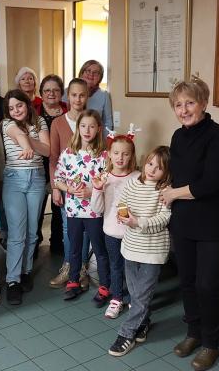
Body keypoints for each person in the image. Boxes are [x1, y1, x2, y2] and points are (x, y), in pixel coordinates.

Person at [160, 76, 219, 371]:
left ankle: (211, 343)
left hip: (211, 221)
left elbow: (210, 183)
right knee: (187, 282)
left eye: (190, 103)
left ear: (203, 103)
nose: (184, 109)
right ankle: (193, 332)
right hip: (184, 221)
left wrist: (173, 193)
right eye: (178, 105)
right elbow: (176, 176)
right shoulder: (178, 137)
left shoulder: (218, 135)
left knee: (207, 284)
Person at [108, 146, 171, 357]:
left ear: (167, 172)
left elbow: (163, 219)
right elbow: (122, 202)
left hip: (152, 252)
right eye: (150, 163)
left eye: (159, 168)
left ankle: (126, 334)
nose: (152, 170)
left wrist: (137, 222)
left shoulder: (165, 190)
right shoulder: (133, 183)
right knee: (136, 294)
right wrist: (122, 214)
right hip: (130, 248)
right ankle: (143, 323)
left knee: (142, 296)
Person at [54, 109, 110, 305]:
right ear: (78, 128)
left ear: (98, 129)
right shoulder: (68, 154)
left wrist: (92, 192)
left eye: (92, 126)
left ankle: (105, 285)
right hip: (73, 210)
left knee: (100, 249)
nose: (87, 130)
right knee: (75, 248)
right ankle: (73, 281)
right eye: (83, 126)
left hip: (94, 211)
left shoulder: (104, 156)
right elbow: (58, 179)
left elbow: (108, 182)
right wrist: (69, 188)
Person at [2, 89, 50, 305]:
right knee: (16, 233)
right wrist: (28, 143)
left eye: (19, 105)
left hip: (37, 179)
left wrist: (30, 143)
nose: (15, 111)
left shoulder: (39, 121)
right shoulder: (6, 124)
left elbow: (48, 151)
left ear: (27, 104)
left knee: (32, 231)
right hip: (14, 179)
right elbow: (19, 134)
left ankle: (26, 271)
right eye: (11, 108)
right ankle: (12, 280)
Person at [91, 132, 140, 319]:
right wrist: (97, 189)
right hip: (111, 232)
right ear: (109, 154)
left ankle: (136, 299)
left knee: (133, 267)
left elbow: (142, 205)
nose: (120, 157)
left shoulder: (137, 178)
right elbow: (97, 208)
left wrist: (132, 216)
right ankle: (117, 297)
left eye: (125, 154)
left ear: (131, 156)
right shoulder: (104, 177)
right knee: (116, 266)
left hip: (132, 232)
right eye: (116, 153)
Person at [49, 78, 90, 289]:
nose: (78, 99)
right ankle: (68, 266)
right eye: (74, 95)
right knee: (68, 228)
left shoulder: (92, 121)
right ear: (68, 96)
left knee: (84, 229)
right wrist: (55, 187)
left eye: (82, 95)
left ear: (87, 96)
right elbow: (53, 157)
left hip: (88, 189)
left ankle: (81, 268)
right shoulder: (58, 123)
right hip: (66, 187)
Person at [34, 74, 68, 255]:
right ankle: (35, 242)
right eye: (47, 90)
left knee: (58, 206)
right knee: (38, 208)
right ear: (41, 93)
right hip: (39, 166)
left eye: (55, 90)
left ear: (61, 93)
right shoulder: (34, 113)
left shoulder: (68, 113)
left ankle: (57, 243)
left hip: (61, 166)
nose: (51, 93)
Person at [63, 60, 113, 133]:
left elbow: (108, 123)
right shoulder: (67, 92)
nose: (91, 74)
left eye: (96, 73)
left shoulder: (104, 95)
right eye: (88, 71)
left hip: (95, 139)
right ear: (81, 73)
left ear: (100, 77)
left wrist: (102, 141)